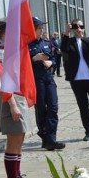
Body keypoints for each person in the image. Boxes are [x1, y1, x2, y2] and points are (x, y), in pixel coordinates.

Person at [0, 19, 35, 178]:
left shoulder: (10, 50)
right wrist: (12, 103)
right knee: (14, 139)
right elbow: (2, 80)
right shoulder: (1, 51)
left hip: (18, 97)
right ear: (4, 33)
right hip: (9, 99)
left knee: (20, 137)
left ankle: (17, 175)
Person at [29, 16, 65, 151]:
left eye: (41, 27)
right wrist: (33, 58)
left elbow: (54, 57)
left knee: (53, 107)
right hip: (35, 79)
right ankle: (46, 137)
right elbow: (21, 64)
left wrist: (52, 62)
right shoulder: (26, 44)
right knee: (41, 108)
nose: (41, 30)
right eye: (38, 28)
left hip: (48, 78)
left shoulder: (47, 42)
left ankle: (50, 138)